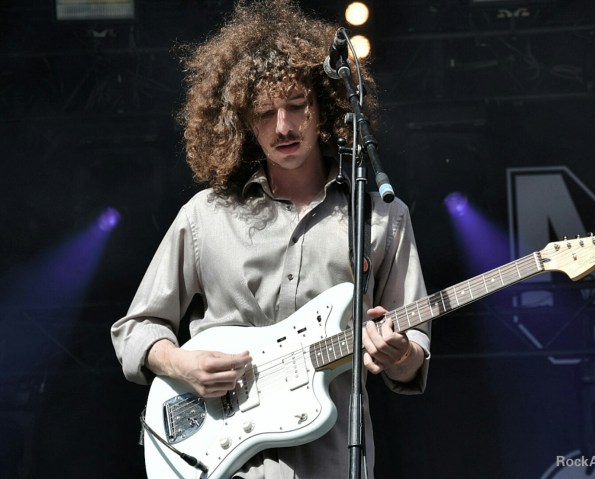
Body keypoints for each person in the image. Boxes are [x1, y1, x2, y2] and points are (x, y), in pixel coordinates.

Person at [110, 0, 430, 477]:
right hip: (219, 462)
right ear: (243, 122)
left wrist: (399, 353)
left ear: (324, 106)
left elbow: (412, 358)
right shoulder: (205, 216)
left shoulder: (382, 216)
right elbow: (135, 328)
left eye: (297, 106)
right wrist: (180, 364)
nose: (283, 126)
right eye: (265, 113)